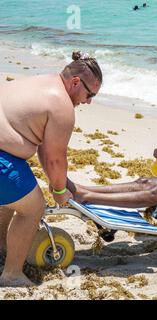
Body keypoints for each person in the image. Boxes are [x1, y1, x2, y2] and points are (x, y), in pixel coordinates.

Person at [0, 51, 102, 287]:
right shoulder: (62, 105)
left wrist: (57, 183)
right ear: (76, 82)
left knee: (11, 200)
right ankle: (12, 274)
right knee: (32, 209)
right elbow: (56, 158)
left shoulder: (42, 82)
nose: (89, 101)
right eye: (90, 94)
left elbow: (45, 152)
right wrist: (58, 191)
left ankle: (3, 248)